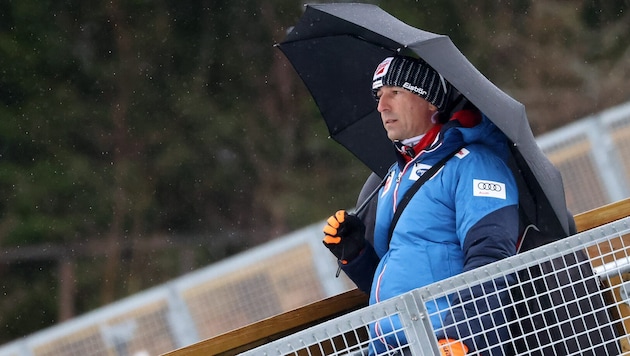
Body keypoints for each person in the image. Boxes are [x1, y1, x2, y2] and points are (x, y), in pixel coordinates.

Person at [322, 55, 519, 355]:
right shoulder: (393, 176)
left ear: (430, 102)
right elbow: (402, 277)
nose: (381, 106)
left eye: (395, 92)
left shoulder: (474, 164)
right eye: (378, 96)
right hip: (396, 347)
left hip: (447, 346)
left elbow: (492, 257)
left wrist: (459, 336)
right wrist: (356, 255)